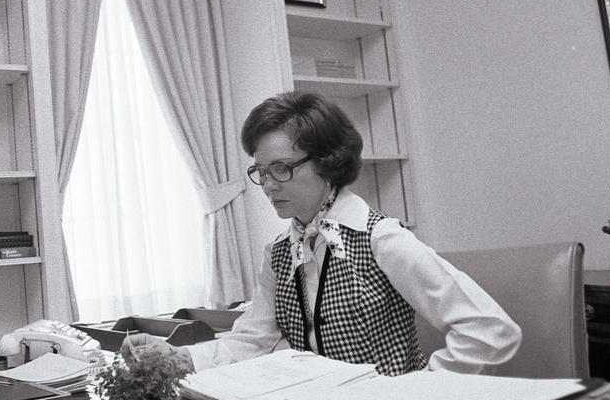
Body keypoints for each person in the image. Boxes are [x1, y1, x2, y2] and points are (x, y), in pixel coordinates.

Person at [123, 91, 521, 377]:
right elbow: (253, 340)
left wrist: (423, 390)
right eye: (261, 171)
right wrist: (174, 357)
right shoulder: (280, 253)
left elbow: (490, 329)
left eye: (281, 168)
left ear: (328, 163)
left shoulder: (382, 239)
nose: (268, 185)